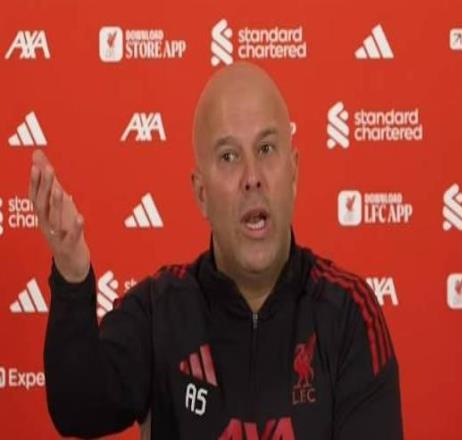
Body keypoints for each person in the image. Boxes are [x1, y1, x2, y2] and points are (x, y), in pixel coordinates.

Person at [31, 62, 403, 439]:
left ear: (294, 173)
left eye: (266, 149)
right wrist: (72, 276)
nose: (252, 177)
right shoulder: (161, 312)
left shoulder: (348, 314)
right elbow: (78, 408)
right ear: (201, 194)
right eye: (229, 156)